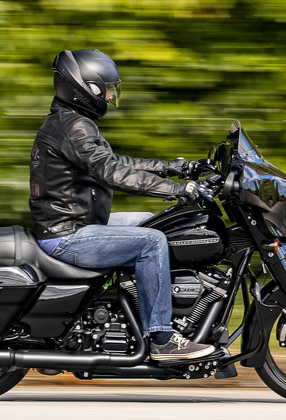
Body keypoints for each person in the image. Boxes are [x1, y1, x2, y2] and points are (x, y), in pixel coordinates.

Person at [29, 49, 215, 361]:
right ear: (84, 89)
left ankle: (128, 305)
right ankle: (162, 337)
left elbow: (116, 162)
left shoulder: (71, 121)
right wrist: (179, 190)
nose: (110, 95)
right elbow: (113, 173)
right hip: (67, 234)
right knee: (152, 241)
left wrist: (175, 168)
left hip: (79, 222)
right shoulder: (72, 127)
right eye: (106, 89)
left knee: (151, 222)